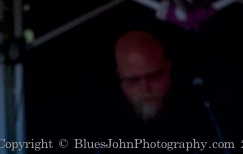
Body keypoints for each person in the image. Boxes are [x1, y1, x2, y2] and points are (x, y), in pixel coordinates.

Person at [83, 29, 219, 143]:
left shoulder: (202, 106)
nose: (145, 87)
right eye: (133, 80)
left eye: (154, 76)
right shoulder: (100, 123)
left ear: (167, 69)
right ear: (119, 76)